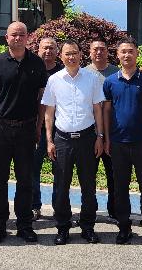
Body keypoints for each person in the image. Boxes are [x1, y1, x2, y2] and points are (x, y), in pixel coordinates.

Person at [0, 22, 48, 244]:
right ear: (6, 38)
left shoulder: (37, 63)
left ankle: (24, 225)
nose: (18, 38)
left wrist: (38, 127)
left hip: (27, 128)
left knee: (25, 180)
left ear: (27, 37)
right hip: (0, 128)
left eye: (22, 34)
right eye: (14, 35)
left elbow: (41, 99)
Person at [42, 40, 106, 245]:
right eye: (67, 54)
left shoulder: (92, 78)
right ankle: (63, 227)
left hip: (87, 139)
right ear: (61, 56)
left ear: (80, 55)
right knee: (61, 186)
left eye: (74, 53)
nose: (71, 57)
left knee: (89, 186)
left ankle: (88, 227)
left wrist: (100, 137)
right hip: (62, 140)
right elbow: (49, 113)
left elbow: (98, 110)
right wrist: (49, 140)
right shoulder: (54, 80)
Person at [103, 38, 142, 245]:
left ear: (137, 54)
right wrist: (106, 139)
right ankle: (124, 227)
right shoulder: (110, 81)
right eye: (123, 52)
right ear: (117, 55)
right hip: (118, 143)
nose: (127, 55)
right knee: (120, 187)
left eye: (131, 51)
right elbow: (106, 112)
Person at [85, 38, 119, 221]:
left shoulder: (117, 72)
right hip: (89, 132)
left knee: (114, 174)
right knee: (88, 174)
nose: (99, 52)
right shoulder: (83, 73)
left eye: (102, 49)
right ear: (89, 52)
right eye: (95, 49)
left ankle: (114, 210)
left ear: (107, 51)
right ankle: (90, 211)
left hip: (113, 131)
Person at [32, 36, 63, 220]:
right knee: (32, 168)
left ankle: (58, 207)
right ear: (38, 50)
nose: (48, 51)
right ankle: (34, 206)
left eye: (52, 48)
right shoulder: (31, 69)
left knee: (59, 170)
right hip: (35, 128)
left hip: (59, 129)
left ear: (57, 51)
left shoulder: (63, 71)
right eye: (44, 48)